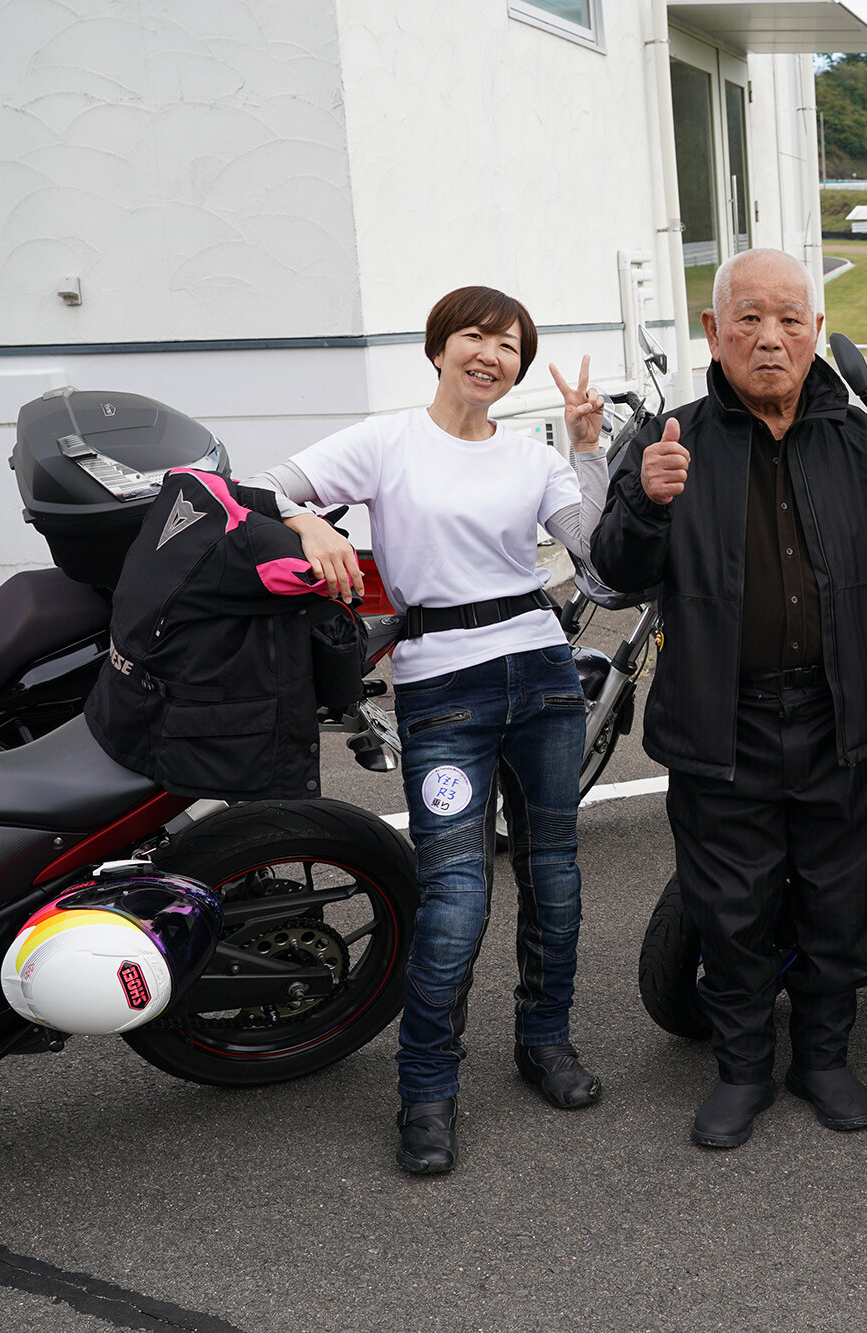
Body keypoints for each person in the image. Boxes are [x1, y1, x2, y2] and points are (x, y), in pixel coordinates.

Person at [252, 285, 610, 1175]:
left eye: (510, 346)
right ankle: (426, 1087)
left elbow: (599, 565)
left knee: (555, 876)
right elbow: (258, 486)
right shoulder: (387, 441)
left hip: (543, 673)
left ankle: (545, 1041)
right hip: (441, 687)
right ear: (441, 345)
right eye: (477, 336)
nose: (492, 354)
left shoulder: (534, 459)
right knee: (455, 897)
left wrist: (589, 449)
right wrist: (307, 520)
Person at [593, 248, 867, 1151]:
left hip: (843, 714)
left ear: (817, 330)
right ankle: (743, 1068)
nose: (770, 338)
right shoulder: (673, 438)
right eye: (748, 318)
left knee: (840, 899)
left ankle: (824, 1057)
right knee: (730, 906)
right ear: (715, 332)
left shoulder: (860, 443)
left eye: (789, 319)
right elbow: (616, 573)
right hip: (721, 718)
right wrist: (647, 505)